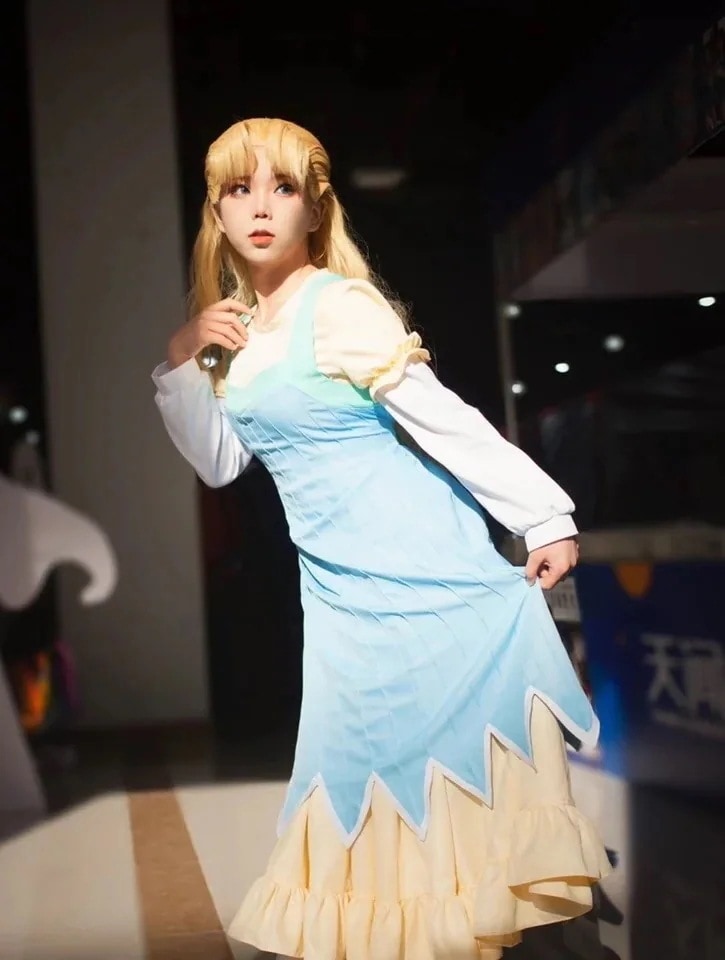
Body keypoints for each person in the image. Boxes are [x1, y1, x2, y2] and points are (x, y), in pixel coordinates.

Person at [152, 117, 611, 960]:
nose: (261, 207)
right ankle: (417, 928)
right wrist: (184, 354)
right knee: (363, 765)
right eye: (239, 190)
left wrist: (541, 516)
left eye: (283, 188)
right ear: (216, 213)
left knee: (438, 758)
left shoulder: (339, 305)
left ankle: (466, 923)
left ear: (314, 209)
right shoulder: (238, 333)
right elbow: (219, 463)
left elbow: (439, 418)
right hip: (340, 591)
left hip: (424, 568)